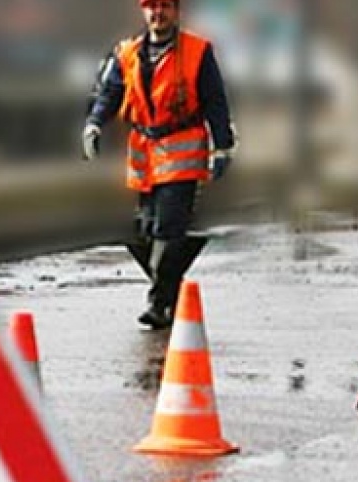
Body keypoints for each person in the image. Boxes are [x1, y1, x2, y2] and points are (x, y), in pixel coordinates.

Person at [82, 0, 236, 328]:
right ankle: (173, 281)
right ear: (143, 11)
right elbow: (109, 94)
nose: (158, 13)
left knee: (167, 226)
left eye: (165, 6)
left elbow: (215, 100)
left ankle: (159, 303)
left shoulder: (197, 52)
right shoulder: (127, 53)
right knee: (146, 230)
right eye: (151, 6)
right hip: (145, 152)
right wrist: (94, 124)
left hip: (181, 150)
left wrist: (223, 146)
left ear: (176, 11)